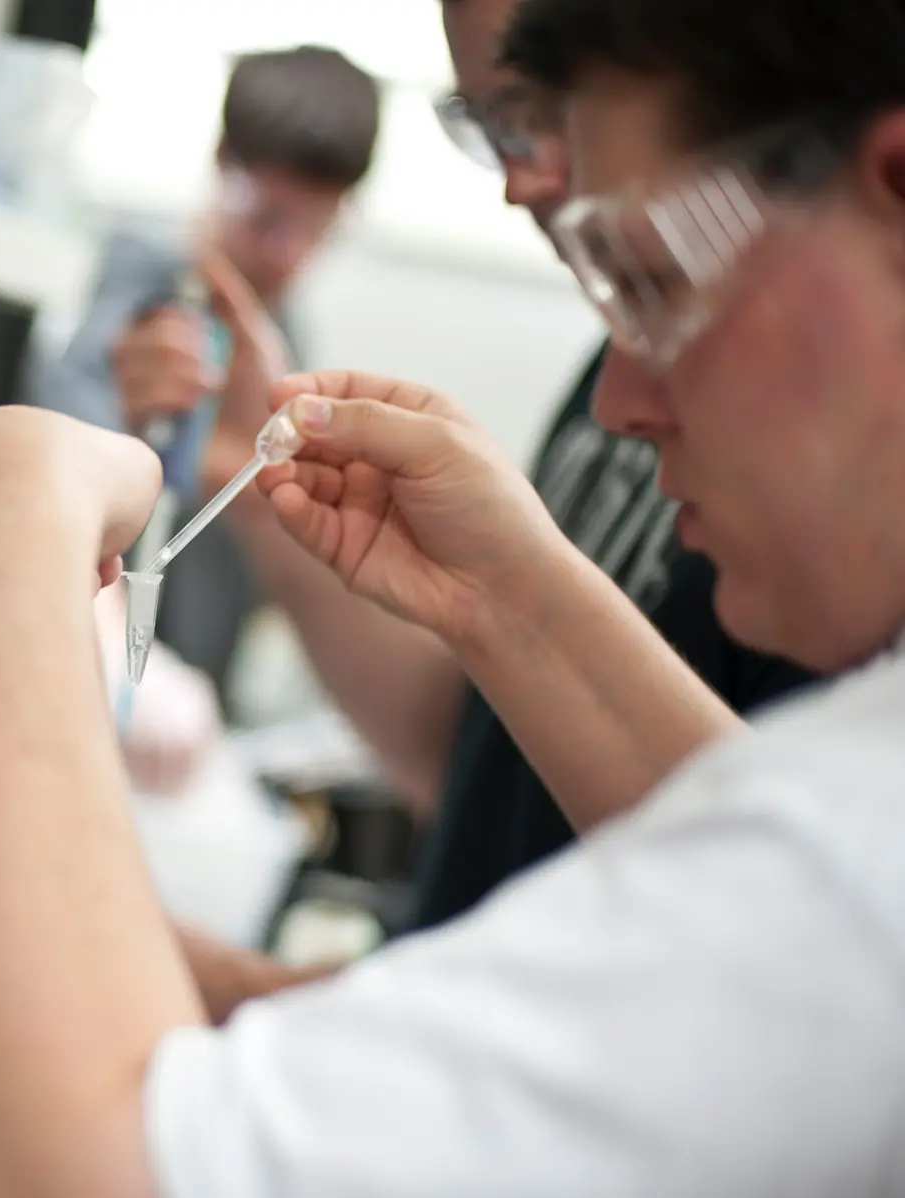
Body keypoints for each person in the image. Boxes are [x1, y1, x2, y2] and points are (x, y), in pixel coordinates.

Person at [0, 0, 905, 1191]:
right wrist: (507, 601)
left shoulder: (861, 833)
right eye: (490, 119)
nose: (623, 401)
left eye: (654, 279)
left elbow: (64, 1172)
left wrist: (14, 523)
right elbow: (732, 924)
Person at [119, 0, 815, 949]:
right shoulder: (623, 368)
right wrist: (258, 480)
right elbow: (473, 756)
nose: (519, 179)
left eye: (539, 106)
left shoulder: (834, 490)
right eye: (487, 126)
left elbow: (791, 921)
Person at [37, 45, 379, 695]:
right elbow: (57, 454)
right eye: (268, 220)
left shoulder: (284, 335)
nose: (286, 256)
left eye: (314, 230)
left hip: (196, 687)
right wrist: (109, 639)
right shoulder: (148, 286)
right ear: (223, 163)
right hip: (97, 672)